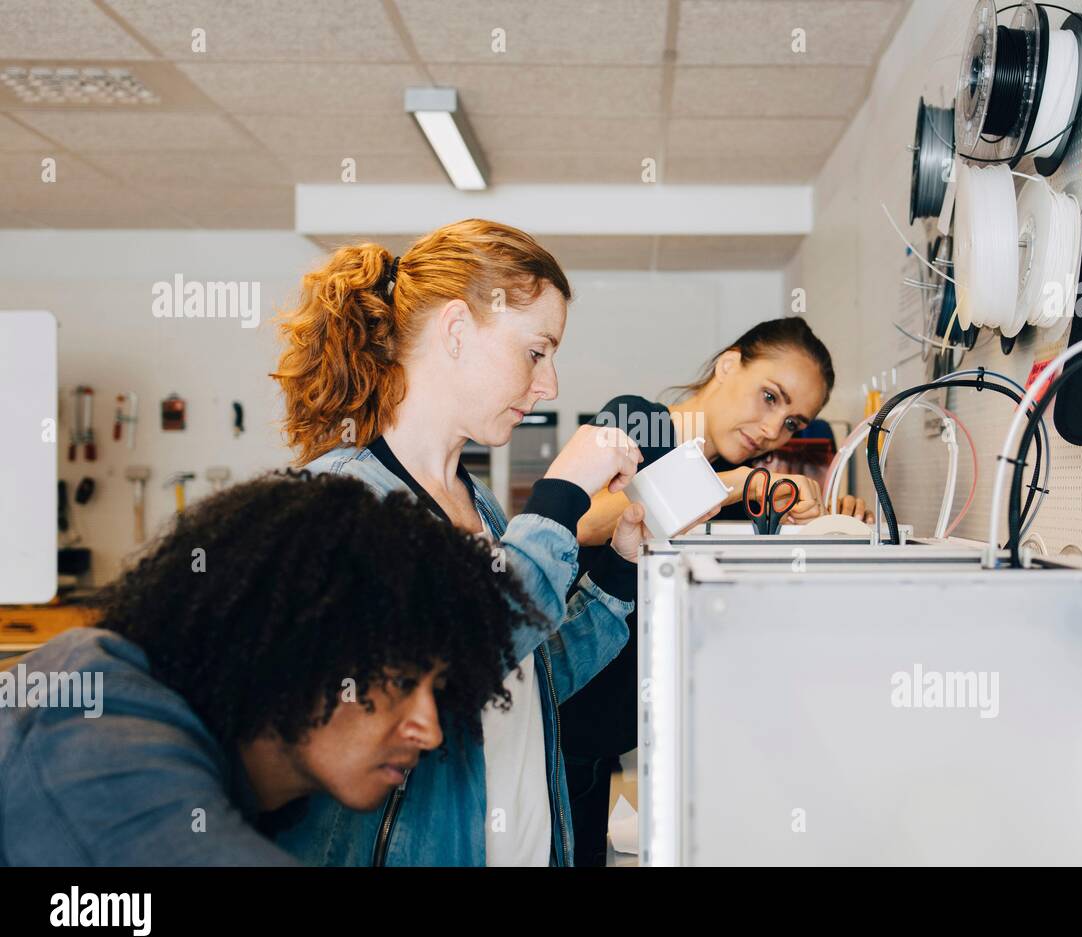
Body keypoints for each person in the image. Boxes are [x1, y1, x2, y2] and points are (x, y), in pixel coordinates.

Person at [271, 218, 647, 866]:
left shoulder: (479, 507)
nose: (549, 384)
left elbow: (527, 678)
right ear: (454, 331)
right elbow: (438, 673)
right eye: (536, 351)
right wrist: (559, 502)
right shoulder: (337, 502)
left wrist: (618, 571)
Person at [0, 472, 531, 866]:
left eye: (436, 689)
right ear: (293, 644)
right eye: (398, 682)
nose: (430, 731)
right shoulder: (95, 729)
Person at [563, 316, 860, 865]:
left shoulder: (723, 477)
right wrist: (731, 486)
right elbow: (582, 520)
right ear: (728, 364)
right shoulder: (640, 423)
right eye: (769, 397)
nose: (774, 430)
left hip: (604, 740)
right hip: (561, 730)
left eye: (793, 420)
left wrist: (836, 520)